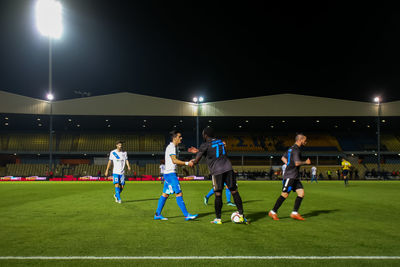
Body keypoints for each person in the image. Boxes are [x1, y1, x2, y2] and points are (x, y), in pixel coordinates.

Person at [189, 127, 247, 224]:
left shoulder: (205, 144)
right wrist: (199, 151)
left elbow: (197, 160)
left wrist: (191, 162)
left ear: (205, 135)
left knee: (218, 194)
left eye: (203, 134)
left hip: (217, 171)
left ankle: (218, 219)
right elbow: (213, 151)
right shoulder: (220, 142)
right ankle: (241, 215)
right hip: (228, 168)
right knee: (234, 191)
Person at [154, 130, 198, 221]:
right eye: (179, 137)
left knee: (165, 194)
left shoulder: (173, 147)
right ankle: (187, 215)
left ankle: (157, 214)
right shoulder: (171, 147)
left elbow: (173, 162)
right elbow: (174, 160)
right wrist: (187, 163)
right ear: (174, 138)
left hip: (168, 173)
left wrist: (186, 164)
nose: (181, 138)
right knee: (179, 193)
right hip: (170, 174)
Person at [268, 133, 311, 221]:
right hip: (290, 176)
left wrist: (288, 164)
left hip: (294, 176)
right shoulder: (296, 150)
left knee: (301, 193)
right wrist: (305, 162)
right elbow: (296, 163)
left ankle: (294, 213)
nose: (306, 142)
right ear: (300, 140)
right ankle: (273, 212)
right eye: (304, 140)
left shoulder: (291, 148)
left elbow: (283, 158)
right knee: (284, 194)